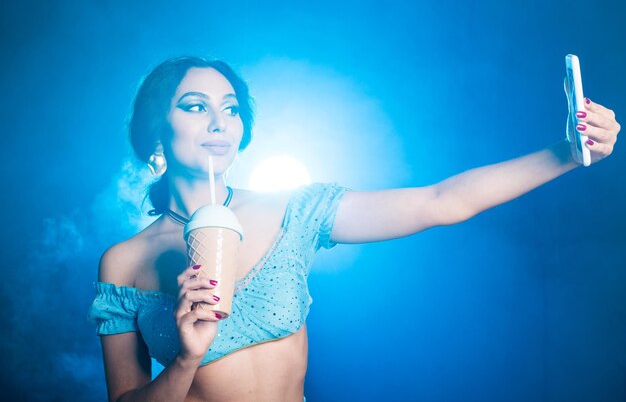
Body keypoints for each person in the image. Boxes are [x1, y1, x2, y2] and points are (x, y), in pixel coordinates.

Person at [88, 56, 620, 402]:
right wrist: (185, 358)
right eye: (195, 106)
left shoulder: (294, 209)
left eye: (230, 109)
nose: (218, 122)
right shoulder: (125, 263)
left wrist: (568, 154)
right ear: (157, 130)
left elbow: (440, 202)